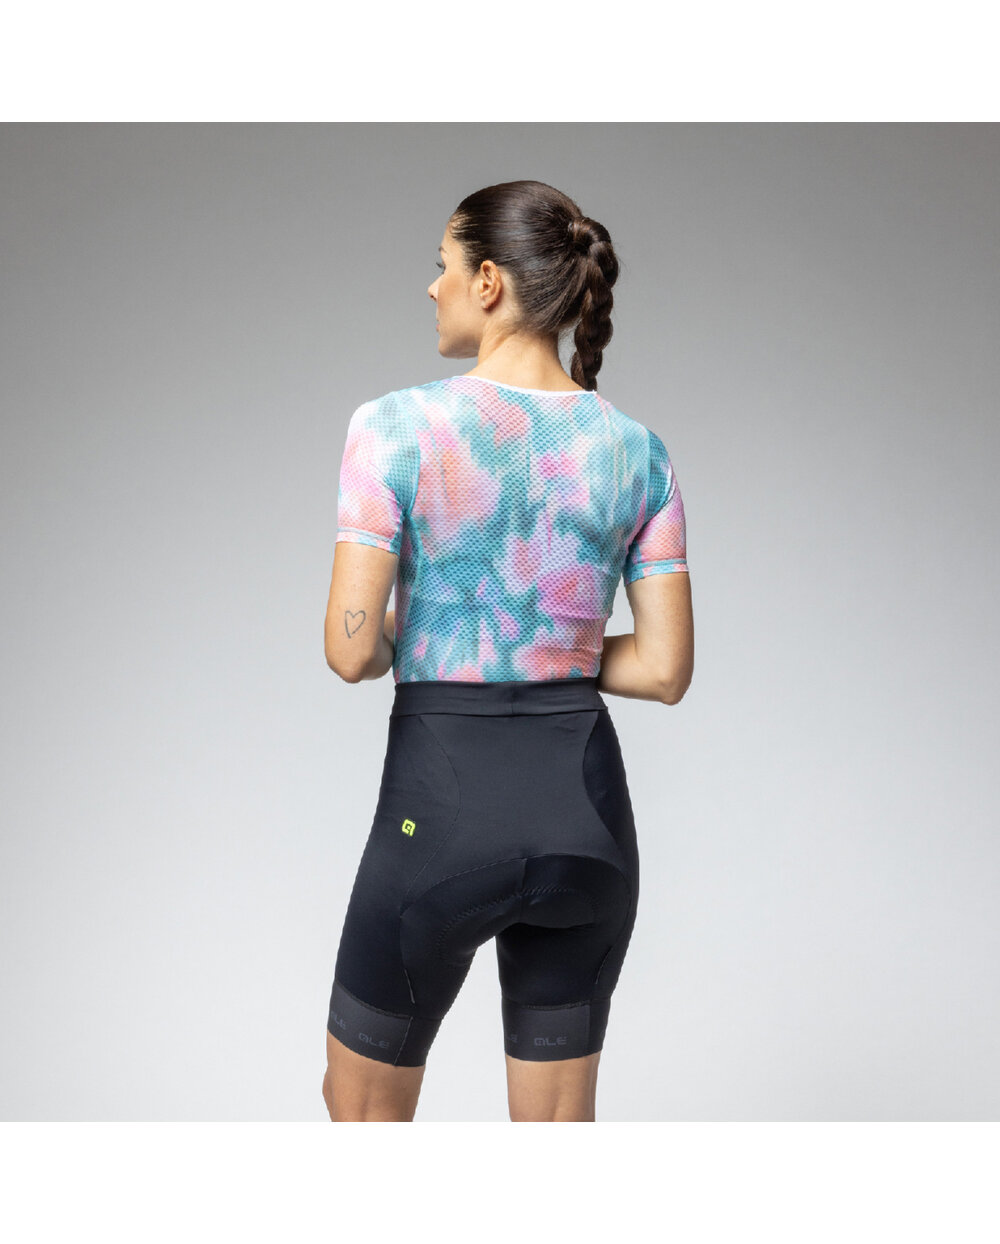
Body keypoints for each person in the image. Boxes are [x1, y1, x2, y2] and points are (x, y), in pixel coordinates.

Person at [321, 179, 694, 1122]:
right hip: (588, 822)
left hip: (441, 814)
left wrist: (446, 636)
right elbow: (664, 670)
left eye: (441, 265)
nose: (431, 287)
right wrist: (547, 649)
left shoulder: (392, 428)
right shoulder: (640, 452)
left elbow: (352, 652)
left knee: (361, 1117)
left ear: (487, 281)